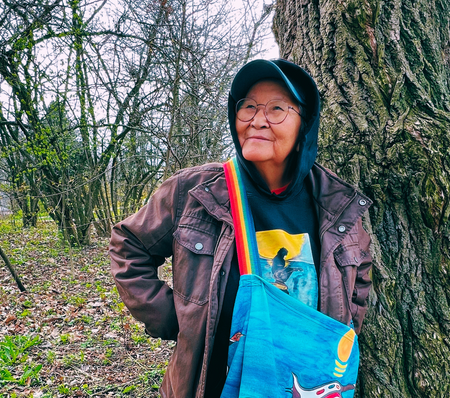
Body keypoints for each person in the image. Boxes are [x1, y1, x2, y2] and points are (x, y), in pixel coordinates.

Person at [109, 59, 373, 398]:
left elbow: (360, 275)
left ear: (304, 124)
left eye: (277, 108)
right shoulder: (194, 192)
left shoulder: (336, 204)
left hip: (303, 384)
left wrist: (342, 328)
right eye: (247, 107)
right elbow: (129, 244)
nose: (257, 120)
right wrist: (176, 318)